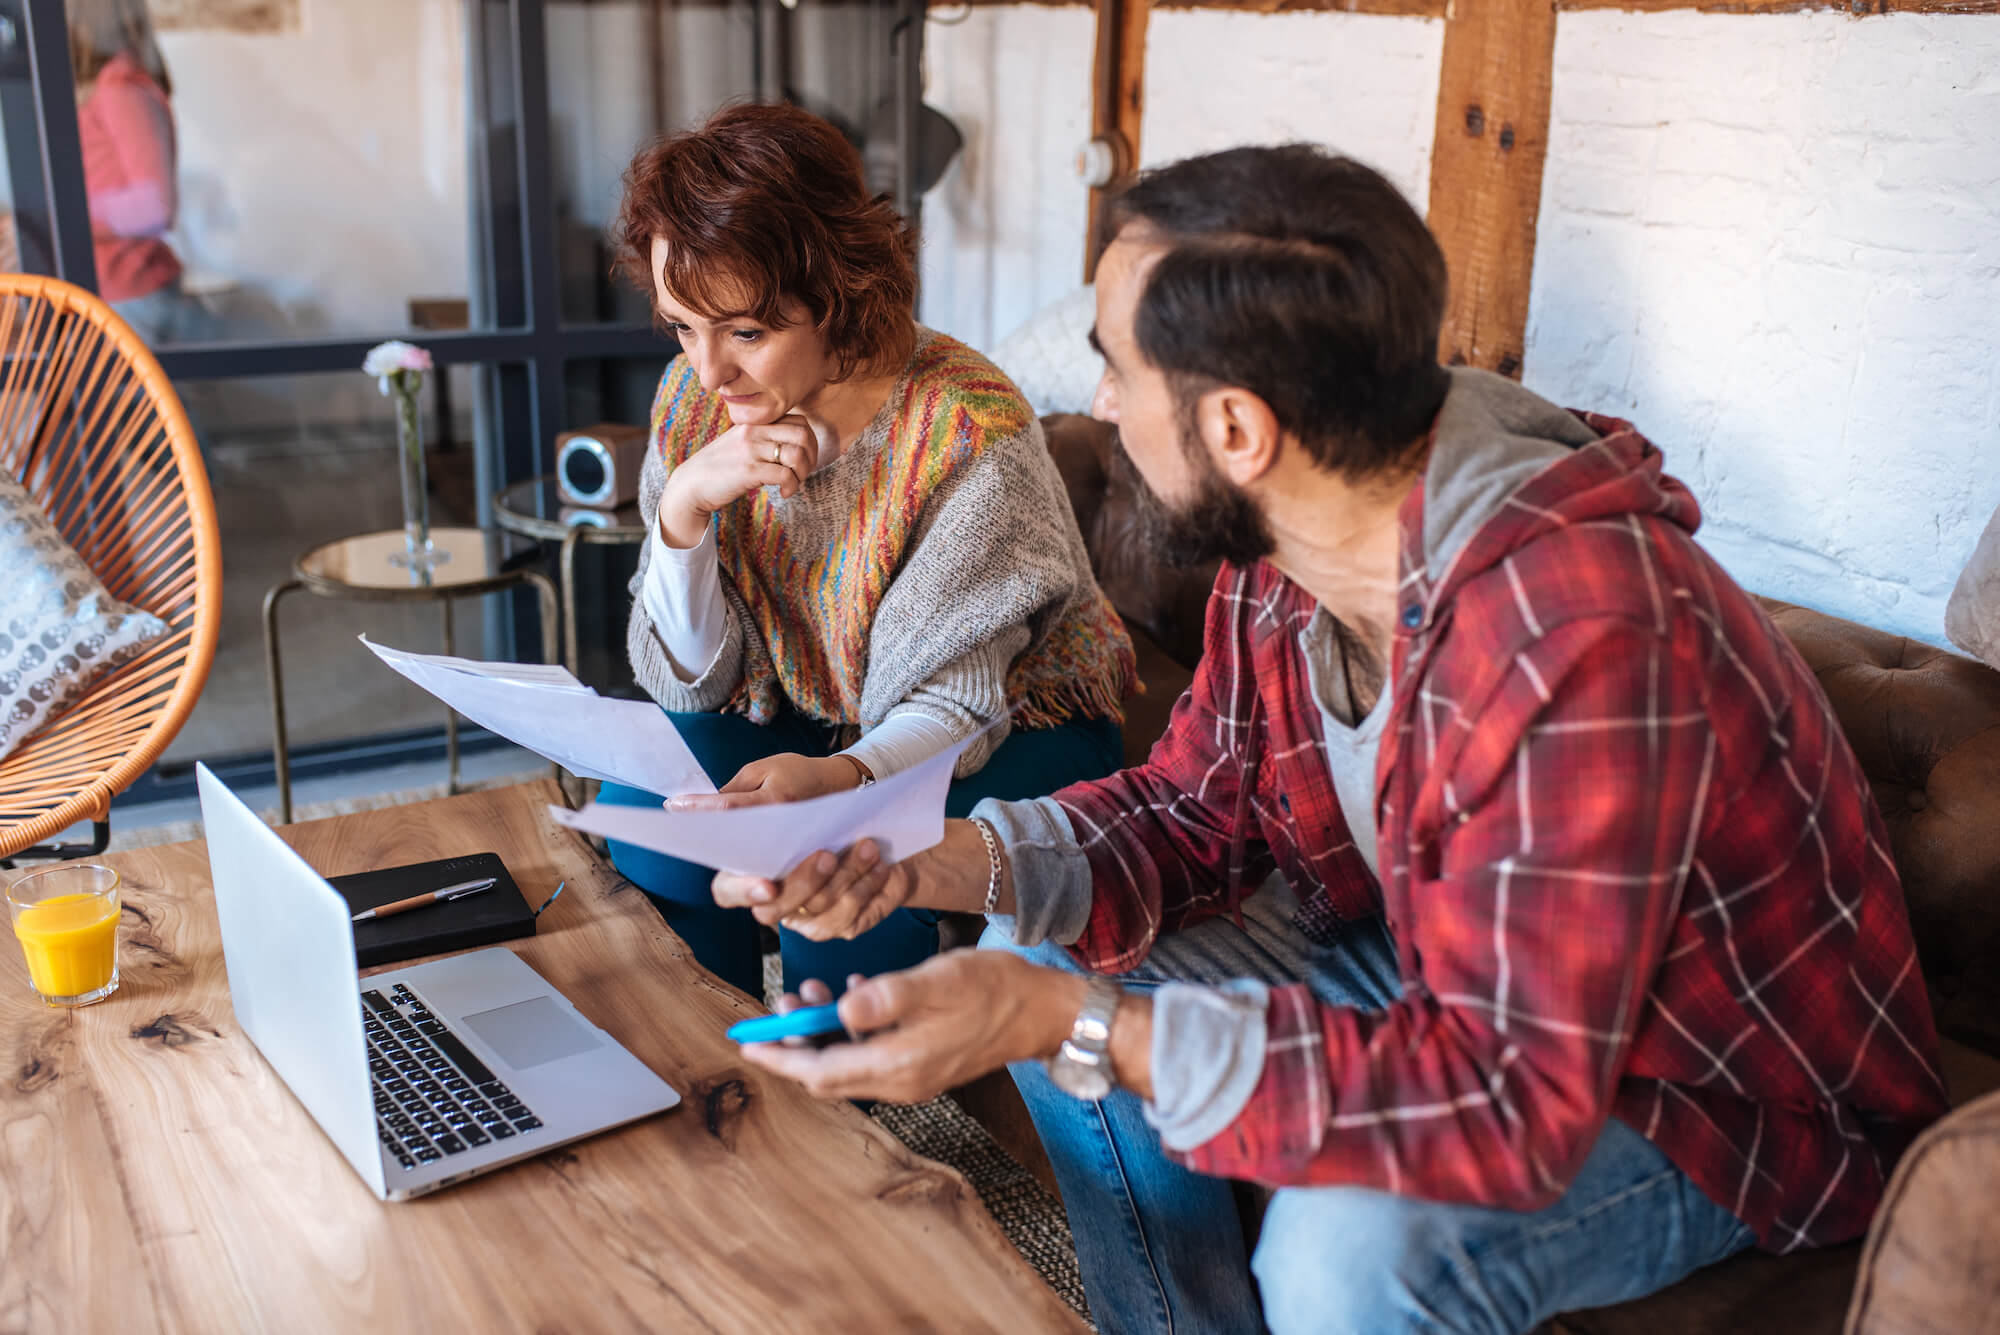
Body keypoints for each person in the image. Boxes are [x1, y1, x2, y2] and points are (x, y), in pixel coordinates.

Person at [715, 146, 1949, 1333]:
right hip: (1449, 976)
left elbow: (1504, 1098)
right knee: (1030, 942)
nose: (1094, 402)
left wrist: (1056, 1027)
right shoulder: (1301, 537)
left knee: (1346, 1249)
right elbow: (1190, 812)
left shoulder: (1578, 636)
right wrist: (914, 856)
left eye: (1116, 369)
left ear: (1239, 431)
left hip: (1711, 1095)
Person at [600, 102, 1136, 1004]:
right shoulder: (696, 406)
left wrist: (840, 778)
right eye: (682, 327)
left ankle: (838, 1101)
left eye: (746, 332)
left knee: (845, 876)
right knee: (656, 825)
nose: (709, 371)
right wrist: (687, 508)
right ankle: (716, 1068)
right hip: (822, 701)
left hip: (1010, 716)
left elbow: (951, 704)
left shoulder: (968, 430)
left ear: (838, 292)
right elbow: (693, 683)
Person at [69, 0, 214, 346]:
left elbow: (154, 207)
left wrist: (65, 215)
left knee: (146, 400)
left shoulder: (121, 89)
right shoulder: (104, 89)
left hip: (129, 291)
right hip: (111, 288)